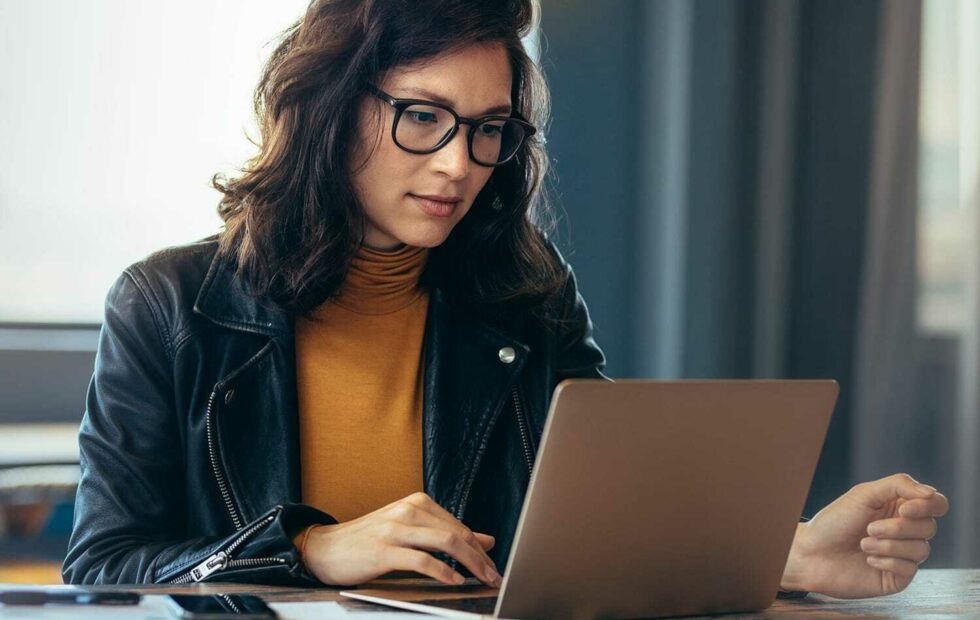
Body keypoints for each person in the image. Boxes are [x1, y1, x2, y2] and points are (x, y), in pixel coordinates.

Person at [62, 0, 948, 600]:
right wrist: (306, 552)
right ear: (329, 106)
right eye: (423, 116)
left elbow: (603, 521)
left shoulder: (524, 292)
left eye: (489, 129)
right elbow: (103, 569)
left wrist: (787, 553)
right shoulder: (170, 305)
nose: (458, 163)